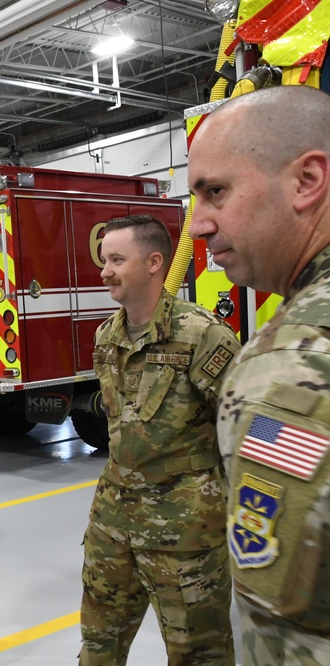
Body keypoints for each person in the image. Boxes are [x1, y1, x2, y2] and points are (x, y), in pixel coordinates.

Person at [187, 85, 330, 665]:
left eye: (215, 192)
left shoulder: (290, 362)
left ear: (306, 181)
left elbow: (290, 639)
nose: (197, 225)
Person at [80, 215, 239, 665]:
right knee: (98, 645)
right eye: (104, 260)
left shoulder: (201, 335)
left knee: (198, 654)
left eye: (116, 260)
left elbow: (246, 424)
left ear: (154, 263)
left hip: (184, 529)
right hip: (114, 521)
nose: (104, 271)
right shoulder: (107, 336)